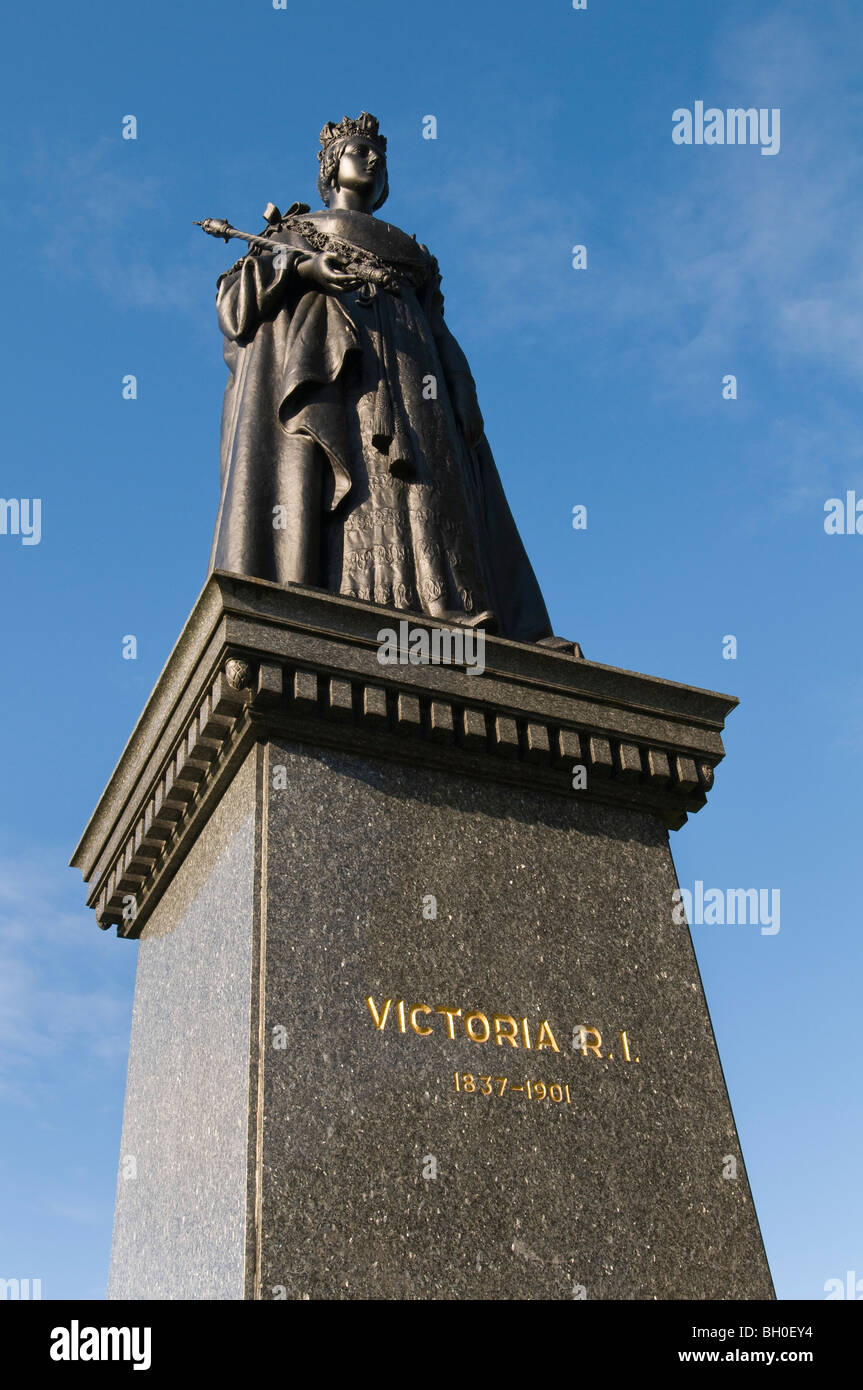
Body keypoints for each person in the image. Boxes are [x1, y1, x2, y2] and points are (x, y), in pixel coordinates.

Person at [209, 112, 563, 646]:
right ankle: (338, 596)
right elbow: (235, 307)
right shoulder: (294, 232)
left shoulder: (416, 255)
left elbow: (438, 330)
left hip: (417, 385)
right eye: (359, 150)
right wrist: (303, 270)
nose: (373, 158)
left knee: (428, 490)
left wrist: (463, 386)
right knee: (351, 492)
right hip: (344, 383)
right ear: (331, 167)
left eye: (380, 154)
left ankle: (444, 615)